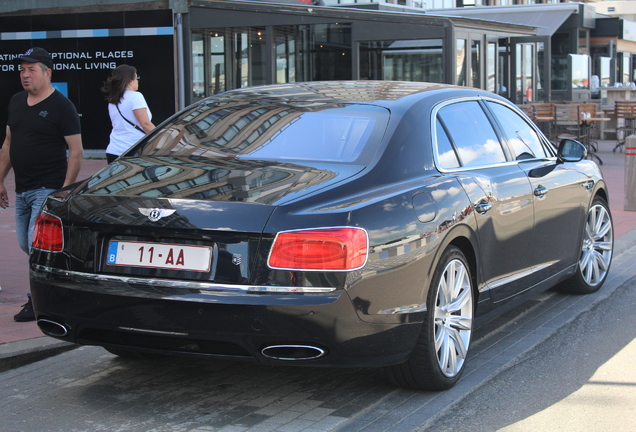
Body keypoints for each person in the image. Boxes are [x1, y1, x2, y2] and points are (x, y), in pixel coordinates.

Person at [0, 47, 84, 322]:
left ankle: (35, 300)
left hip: (47, 189)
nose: (25, 75)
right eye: (22, 70)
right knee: (28, 244)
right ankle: (65, 280)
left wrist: (65, 190)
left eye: (31, 69)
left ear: (48, 73)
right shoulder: (15, 101)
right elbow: (9, 144)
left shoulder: (62, 106)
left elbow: (76, 151)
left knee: (34, 245)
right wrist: (0, 179)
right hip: (22, 189)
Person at [101, 64, 155, 163]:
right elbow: (145, 124)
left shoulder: (113, 100)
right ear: (130, 81)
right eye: (136, 77)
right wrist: (162, 139)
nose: (138, 80)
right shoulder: (136, 96)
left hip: (113, 150)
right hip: (134, 150)